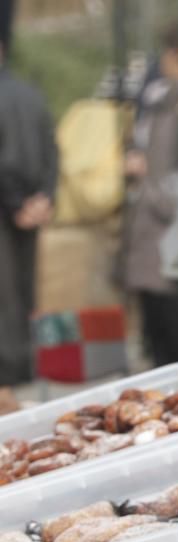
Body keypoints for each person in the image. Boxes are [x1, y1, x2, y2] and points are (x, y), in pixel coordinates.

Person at [121, 17, 178, 366]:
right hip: (160, 244)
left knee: (175, 347)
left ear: (176, 53)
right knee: (160, 343)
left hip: (171, 244)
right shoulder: (172, 98)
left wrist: (151, 187)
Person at [0, 35, 58, 385]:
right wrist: (44, 198)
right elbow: (53, 153)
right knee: (23, 295)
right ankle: (24, 377)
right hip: (31, 209)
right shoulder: (34, 95)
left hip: (9, 210)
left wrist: (15, 202)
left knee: (5, 301)